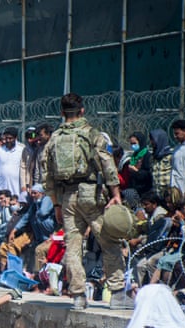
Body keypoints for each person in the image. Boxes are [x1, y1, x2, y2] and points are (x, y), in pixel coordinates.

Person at [44, 92, 129, 310]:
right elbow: (107, 164)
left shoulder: (54, 138)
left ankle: (78, 296)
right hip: (92, 195)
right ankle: (118, 294)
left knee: (72, 247)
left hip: (67, 197)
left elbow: (48, 176)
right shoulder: (93, 134)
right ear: (82, 111)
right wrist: (116, 194)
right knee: (108, 242)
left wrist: (56, 204)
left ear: (62, 113)